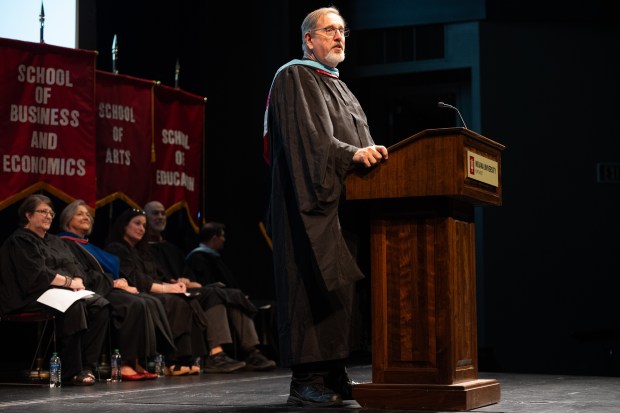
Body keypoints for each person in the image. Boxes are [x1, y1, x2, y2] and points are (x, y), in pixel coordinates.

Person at [264, 6, 388, 407]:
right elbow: (308, 140)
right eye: (329, 30)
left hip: (342, 203)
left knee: (341, 289)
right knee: (311, 285)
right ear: (309, 40)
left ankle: (334, 372)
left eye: (342, 30)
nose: (339, 36)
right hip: (308, 204)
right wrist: (353, 155)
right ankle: (306, 380)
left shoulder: (340, 85)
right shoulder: (294, 76)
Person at [143, 201, 276, 372]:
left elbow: (192, 279)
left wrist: (186, 281)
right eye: (155, 213)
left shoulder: (173, 249)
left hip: (185, 288)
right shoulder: (144, 250)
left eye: (163, 213)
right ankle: (215, 355)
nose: (160, 217)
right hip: (165, 291)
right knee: (215, 293)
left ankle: (251, 352)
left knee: (233, 295)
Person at [58, 200, 176, 380]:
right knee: (134, 304)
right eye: (80, 214)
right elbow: (82, 274)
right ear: (67, 219)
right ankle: (125, 363)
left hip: (106, 287)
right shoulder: (64, 243)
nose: (86, 217)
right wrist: (113, 283)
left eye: (88, 214)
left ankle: (140, 361)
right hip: (93, 291)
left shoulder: (87, 244)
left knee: (147, 300)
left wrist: (123, 283)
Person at [0, 194, 110, 385]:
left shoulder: (55, 241)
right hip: (28, 296)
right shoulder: (21, 240)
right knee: (74, 306)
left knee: (100, 305)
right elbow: (36, 275)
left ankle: (87, 367)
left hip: (58, 293)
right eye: (43, 211)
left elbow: (75, 265)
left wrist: (77, 279)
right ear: (28, 215)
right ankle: (71, 371)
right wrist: (69, 283)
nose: (49, 216)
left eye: (51, 213)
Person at [104, 208, 204, 376]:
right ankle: (171, 360)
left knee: (190, 301)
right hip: (134, 292)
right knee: (174, 302)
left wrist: (174, 285)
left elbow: (159, 276)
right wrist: (166, 288)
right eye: (137, 224)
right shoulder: (117, 248)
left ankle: (185, 359)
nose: (142, 229)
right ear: (124, 226)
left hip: (153, 290)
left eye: (144, 225)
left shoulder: (143, 251)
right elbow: (135, 279)